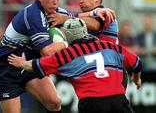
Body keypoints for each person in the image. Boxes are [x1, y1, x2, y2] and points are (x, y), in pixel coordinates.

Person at [8, 18, 142, 113]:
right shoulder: (110, 46)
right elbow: (136, 63)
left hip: (91, 103)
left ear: (68, 36)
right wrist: (136, 78)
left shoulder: (68, 54)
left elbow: (37, 65)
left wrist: (21, 63)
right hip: (119, 100)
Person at [0, 0, 72, 113]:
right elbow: (47, 52)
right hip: (7, 65)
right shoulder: (33, 15)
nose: (55, 2)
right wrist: (66, 43)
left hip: (29, 62)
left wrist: (94, 14)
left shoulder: (58, 12)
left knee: (54, 102)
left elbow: (78, 22)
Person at [47, 0, 118, 44]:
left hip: (107, 56)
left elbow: (95, 25)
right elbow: (74, 17)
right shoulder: (87, 15)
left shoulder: (105, 13)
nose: (80, 1)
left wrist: (65, 19)